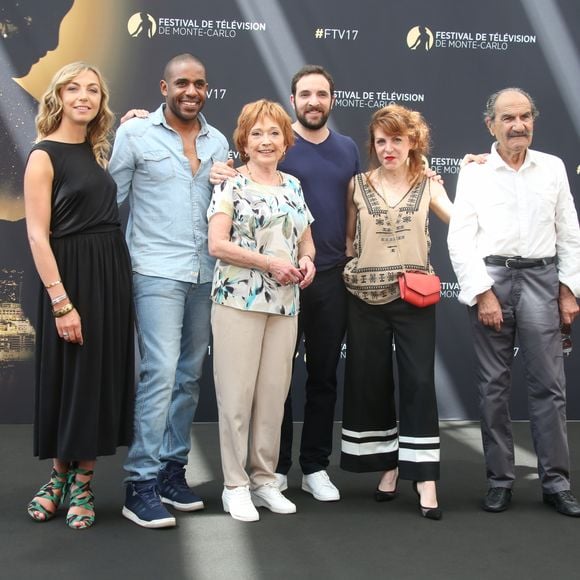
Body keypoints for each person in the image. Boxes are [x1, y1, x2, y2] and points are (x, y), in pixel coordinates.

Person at [211, 65, 360, 502]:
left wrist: (320, 257)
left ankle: (304, 470)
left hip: (316, 282)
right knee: (257, 389)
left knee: (312, 380)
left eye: (322, 93)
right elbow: (220, 235)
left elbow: (342, 209)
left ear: (331, 99)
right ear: (293, 99)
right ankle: (259, 476)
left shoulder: (340, 153)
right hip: (253, 292)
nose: (314, 101)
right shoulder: (251, 166)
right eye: (305, 94)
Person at [108, 53, 228, 528]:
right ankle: (139, 483)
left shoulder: (219, 142)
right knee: (158, 372)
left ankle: (170, 473)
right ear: (164, 87)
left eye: (199, 83)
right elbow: (109, 199)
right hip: (155, 271)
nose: (191, 91)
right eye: (182, 83)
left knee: (188, 377)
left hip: (206, 273)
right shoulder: (134, 134)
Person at [448, 88, 580, 516]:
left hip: (543, 279)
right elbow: (460, 237)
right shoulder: (475, 172)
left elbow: (571, 234)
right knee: (493, 389)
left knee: (550, 387)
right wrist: (482, 292)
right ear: (491, 124)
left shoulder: (554, 169)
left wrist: (569, 290)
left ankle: (556, 484)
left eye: (524, 116)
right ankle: (500, 480)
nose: (517, 125)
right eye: (507, 118)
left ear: (533, 121)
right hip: (493, 279)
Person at [23, 62, 134, 529]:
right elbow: (35, 234)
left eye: (93, 89)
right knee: (68, 378)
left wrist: (132, 124)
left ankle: (82, 484)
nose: (84, 96)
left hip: (109, 273)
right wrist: (61, 302)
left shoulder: (99, 151)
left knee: (96, 379)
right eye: (74, 88)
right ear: (59, 97)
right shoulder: (43, 155)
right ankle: (57, 479)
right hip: (68, 277)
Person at [340, 104, 452, 520]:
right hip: (364, 299)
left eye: (397, 140)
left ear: (413, 143)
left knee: (419, 382)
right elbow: (350, 240)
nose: (388, 148)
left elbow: (461, 222)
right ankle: (387, 467)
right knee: (371, 381)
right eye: (381, 141)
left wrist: (476, 170)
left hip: (413, 299)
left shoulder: (429, 186)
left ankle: (425, 478)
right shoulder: (356, 184)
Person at [208, 99, 316, 522]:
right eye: (257, 133)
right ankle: (234, 486)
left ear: (285, 142)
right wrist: (268, 262)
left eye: (274, 133)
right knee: (236, 398)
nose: (266, 141)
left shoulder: (292, 185)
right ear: (244, 141)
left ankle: (265, 479)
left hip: (285, 305)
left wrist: (306, 261)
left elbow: (306, 241)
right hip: (238, 300)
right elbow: (217, 244)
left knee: (273, 397)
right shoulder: (230, 185)